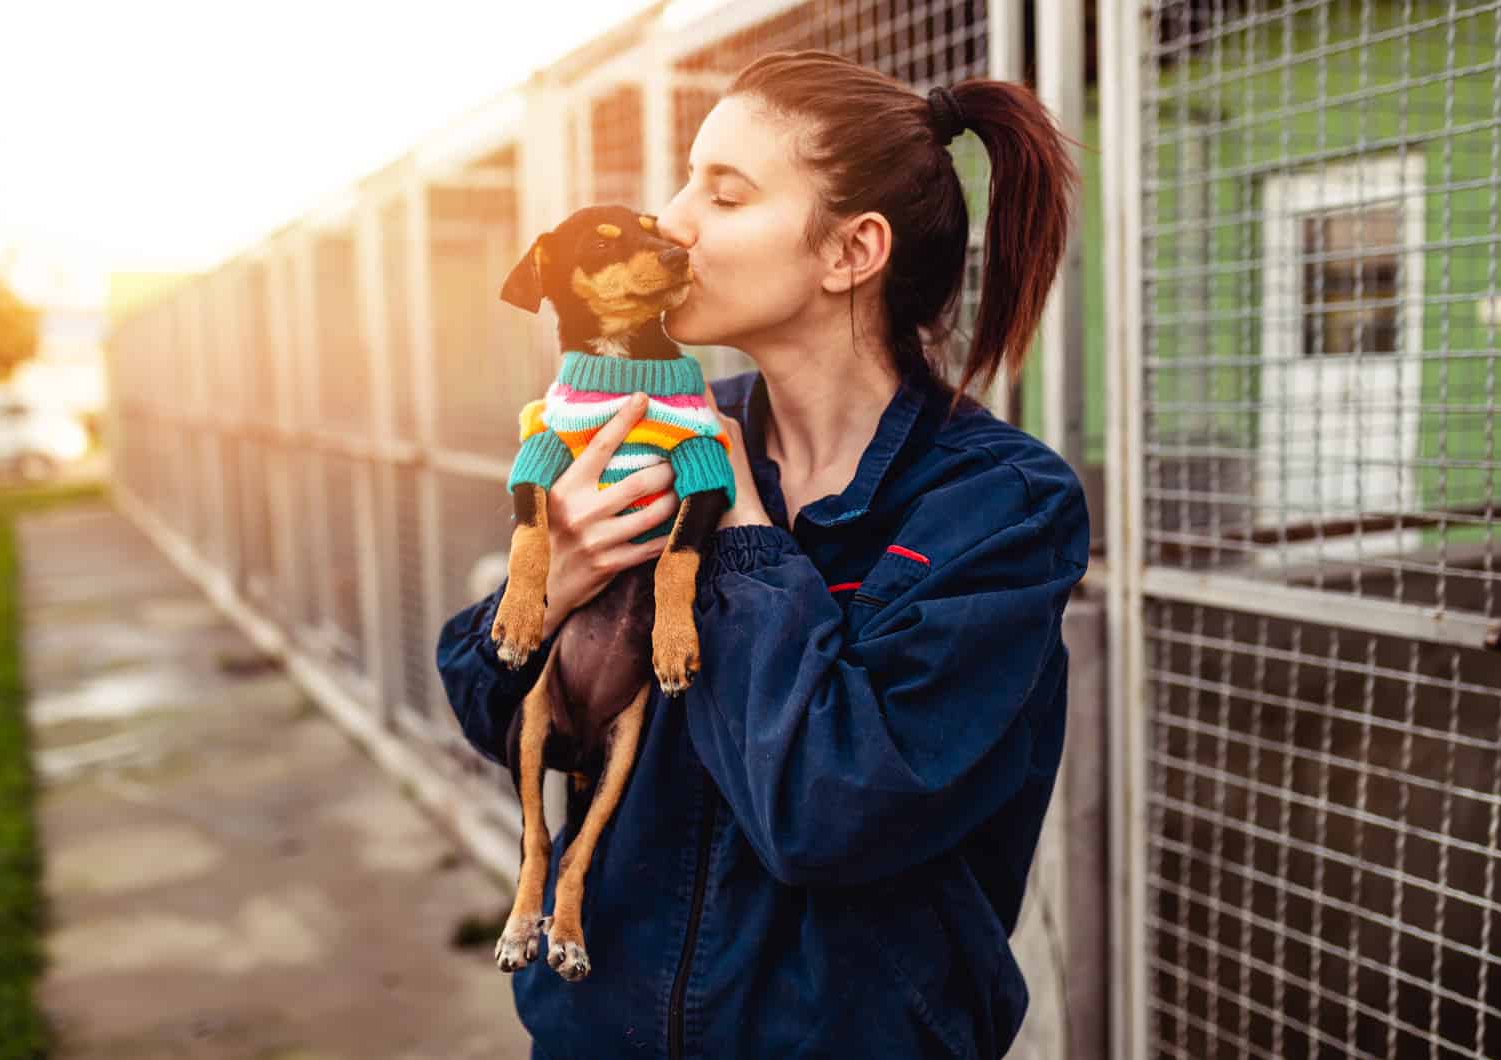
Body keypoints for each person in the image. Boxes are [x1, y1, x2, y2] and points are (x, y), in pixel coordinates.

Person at [437, 49, 1088, 1060]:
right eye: (685, 177)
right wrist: (553, 583)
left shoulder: (997, 506)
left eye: (724, 193)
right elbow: (496, 714)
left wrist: (739, 534)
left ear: (850, 252)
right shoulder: (652, 431)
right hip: (596, 1032)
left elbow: (830, 812)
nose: (672, 219)